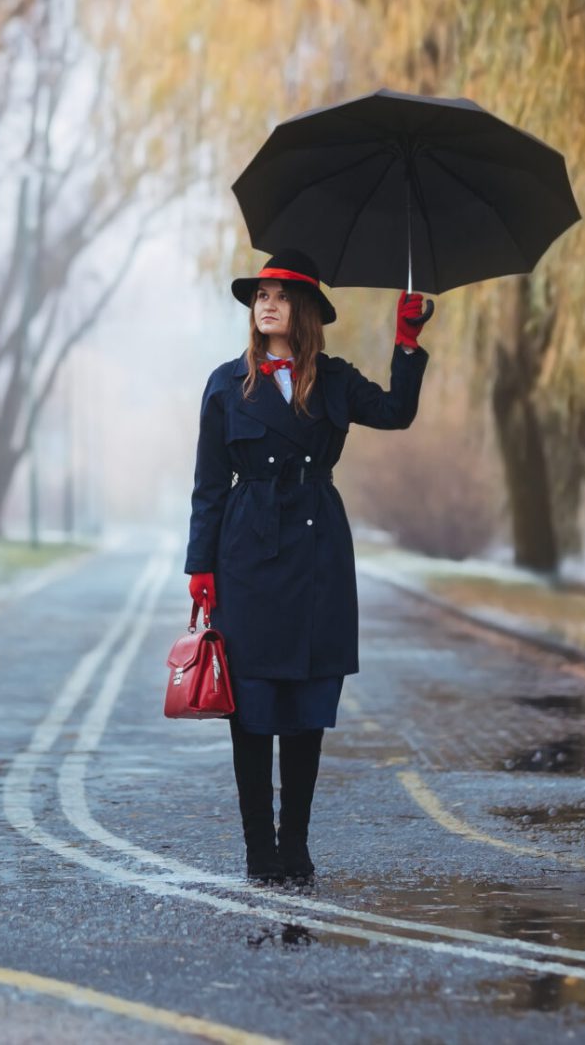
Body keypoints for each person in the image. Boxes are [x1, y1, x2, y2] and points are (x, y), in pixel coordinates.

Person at [184, 248, 432, 883]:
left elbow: (397, 413)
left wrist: (405, 343)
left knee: (306, 702)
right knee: (253, 706)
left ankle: (293, 843)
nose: (267, 303)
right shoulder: (225, 383)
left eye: (283, 295)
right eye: (261, 294)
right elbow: (209, 485)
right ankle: (257, 849)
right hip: (246, 550)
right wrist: (201, 567)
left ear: (307, 312)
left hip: (318, 548)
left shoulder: (337, 379)